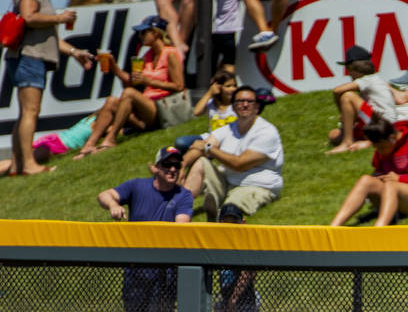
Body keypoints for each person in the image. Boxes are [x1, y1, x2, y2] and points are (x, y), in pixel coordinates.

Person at [96, 146, 192, 312]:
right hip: (136, 273)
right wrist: (113, 207)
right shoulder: (137, 186)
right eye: (167, 165)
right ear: (156, 168)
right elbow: (104, 195)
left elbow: (181, 227)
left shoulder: (183, 196)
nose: (172, 170)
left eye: (176, 166)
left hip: (163, 275)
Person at [5, 0, 93, 176]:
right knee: (31, 111)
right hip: (29, 57)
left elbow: (50, 36)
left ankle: (17, 165)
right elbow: (28, 17)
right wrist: (60, 17)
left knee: (26, 112)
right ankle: (29, 165)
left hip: (30, 57)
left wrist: (74, 52)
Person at [74, 15, 185, 158]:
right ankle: (89, 145)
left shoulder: (170, 53)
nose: (140, 36)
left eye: (144, 32)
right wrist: (114, 67)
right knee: (111, 101)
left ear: (156, 33)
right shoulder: (148, 55)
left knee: (129, 93)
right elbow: (132, 82)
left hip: (164, 109)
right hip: (146, 109)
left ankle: (110, 139)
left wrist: (149, 82)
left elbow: (179, 86)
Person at [180, 85, 284, 220]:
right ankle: (179, 210)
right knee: (201, 162)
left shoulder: (266, 132)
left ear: (257, 107)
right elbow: (200, 148)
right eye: (240, 101)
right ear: (233, 107)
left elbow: (239, 164)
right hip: (229, 182)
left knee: (230, 210)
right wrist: (181, 166)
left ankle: (219, 212)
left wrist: (209, 149)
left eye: (249, 101)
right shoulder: (227, 129)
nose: (244, 105)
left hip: (255, 186)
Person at [329, 117, 408, 228]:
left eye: (381, 147)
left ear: (392, 138)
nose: (379, 151)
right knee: (366, 180)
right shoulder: (382, 149)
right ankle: (334, 227)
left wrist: (400, 179)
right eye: (376, 148)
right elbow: (379, 171)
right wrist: (377, 177)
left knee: (391, 185)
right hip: (394, 193)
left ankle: (379, 228)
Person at [326, 45, 400, 155]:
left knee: (348, 96)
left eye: (349, 70)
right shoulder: (375, 79)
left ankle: (347, 142)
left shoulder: (367, 80)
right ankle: (366, 141)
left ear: (354, 70)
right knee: (334, 134)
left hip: (381, 122)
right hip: (380, 122)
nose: (349, 74)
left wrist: (342, 112)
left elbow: (337, 91)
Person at [212, 0, 261, 73]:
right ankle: (228, 83)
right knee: (229, 64)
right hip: (228, 32)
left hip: (215, 31)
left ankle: (215, 81)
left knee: (214, 65)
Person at [174, 67, 238, 153]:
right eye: (228, 86)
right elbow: (196, 112)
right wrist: (209, 93)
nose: (233, 89)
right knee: (180, 142)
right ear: (218, 87)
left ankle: (205, 150)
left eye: (234, 85)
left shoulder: (238, 104)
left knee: (197, 149)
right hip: (210, 138)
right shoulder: (212, 103)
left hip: (229, 140)